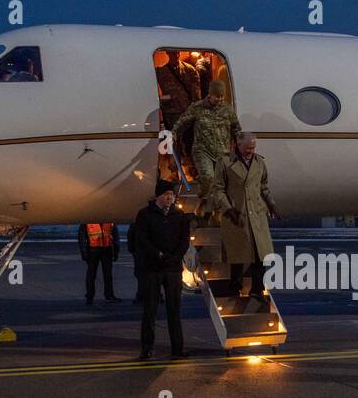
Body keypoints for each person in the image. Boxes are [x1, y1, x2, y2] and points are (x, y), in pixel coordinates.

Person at [131, 179, 191, 360]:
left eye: (172, 195)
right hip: (153, 268)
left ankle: (177, 348)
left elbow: (184, 240)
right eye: (166, 195)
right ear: (158, 196)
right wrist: (157, 254)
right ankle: (147, 348)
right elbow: (142, 239)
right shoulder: (145, 214)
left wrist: (175, 256)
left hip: (172, 269)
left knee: (174, 309)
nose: (169, 198)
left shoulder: (179, 215)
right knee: (150, 309)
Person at [217, 132, 279, 297]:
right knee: (237, 253)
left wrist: (271, 204)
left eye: (253, 147)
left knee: (260, 255)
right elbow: (218, 189)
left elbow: (263, 186)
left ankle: (257, 288)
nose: (251, 151)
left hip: (257, 213)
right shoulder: (225, 162)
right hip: (237, 212)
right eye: (248, 148)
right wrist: (228, 208)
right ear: (238, 145)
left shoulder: (259, 162)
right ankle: (234, 286)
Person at [171, 79, 242, 216]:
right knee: (208, 177)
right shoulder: (197, 108)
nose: (220, 100)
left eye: (222, 97)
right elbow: (182, 122)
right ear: (210, 95)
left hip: (222, 152)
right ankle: (203, 198)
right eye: (217, 96)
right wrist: (173, 133)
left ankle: (214, 210)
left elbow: (236, 128)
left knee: (221, 184)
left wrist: (240, 142)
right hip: (202, 150)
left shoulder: (227, 110)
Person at [77, 221, 120, 304]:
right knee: (94, 275)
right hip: (96, 249)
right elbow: (81, 237)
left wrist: (84, 252)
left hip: (103, 249)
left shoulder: (89, 220)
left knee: (102, 274)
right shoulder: (108, 219)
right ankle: (98, 296)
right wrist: (84, 252)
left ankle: (94, 296)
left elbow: (115, 235)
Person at [154, 50, 195, 132]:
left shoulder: (189, 70)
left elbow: (196, 93)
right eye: (172, 53)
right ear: (168, 53)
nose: (176, 55)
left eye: (177, 52)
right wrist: (160, 100)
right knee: (172, 140)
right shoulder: (160, 72)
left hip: (186, 112)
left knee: (188, 139)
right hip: (170, 114)